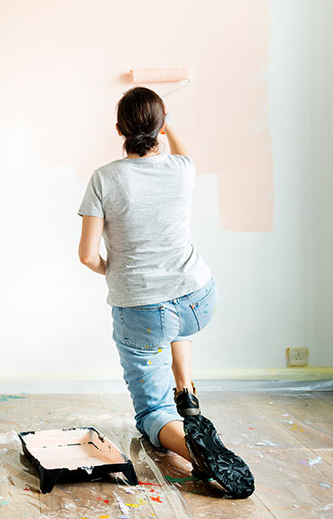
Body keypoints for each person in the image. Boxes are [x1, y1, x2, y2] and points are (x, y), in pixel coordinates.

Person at [77, 87, 254, 499]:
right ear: (160, 125)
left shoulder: (104, 178)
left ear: (118, 129)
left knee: (152, 412)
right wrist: (164, 120)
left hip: (142, 310)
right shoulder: (182, 168)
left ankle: (193, 447)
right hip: (199, 298)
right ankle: (186, 387)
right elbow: (180, 150)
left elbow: (87, 256)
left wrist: (116, 272)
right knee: (175, 321)